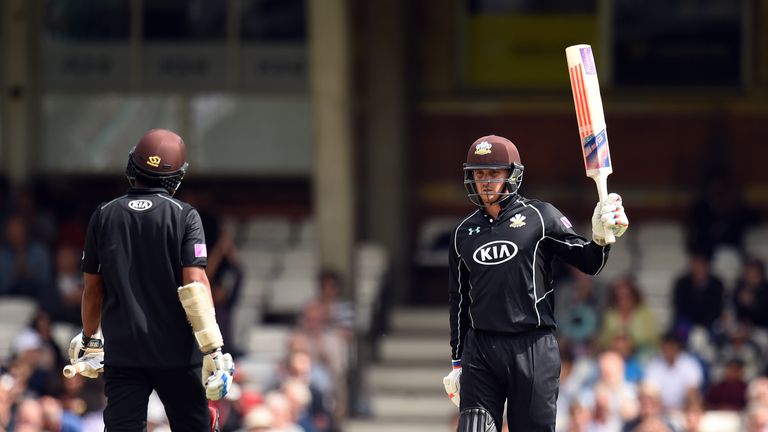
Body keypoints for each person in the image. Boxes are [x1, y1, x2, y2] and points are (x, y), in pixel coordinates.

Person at [442, 135, 629, 431]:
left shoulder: (541, 217)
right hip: (481, 349)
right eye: (479, 174)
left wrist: (601, 237)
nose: (486, 182)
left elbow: (590, 263)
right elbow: (459, 300)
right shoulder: (463, 232)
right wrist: (457, 360)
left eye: (494, 173)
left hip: (532, 345)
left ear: (512, 174)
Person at [71, 129, 235, 431]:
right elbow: (195, 286)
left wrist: (90, 339)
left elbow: (92, 289)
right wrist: (214, 349)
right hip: (176, 354)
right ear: (176, 176)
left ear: (134, 165)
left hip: (124, 353)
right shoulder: (185, 216)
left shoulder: (103, 215)